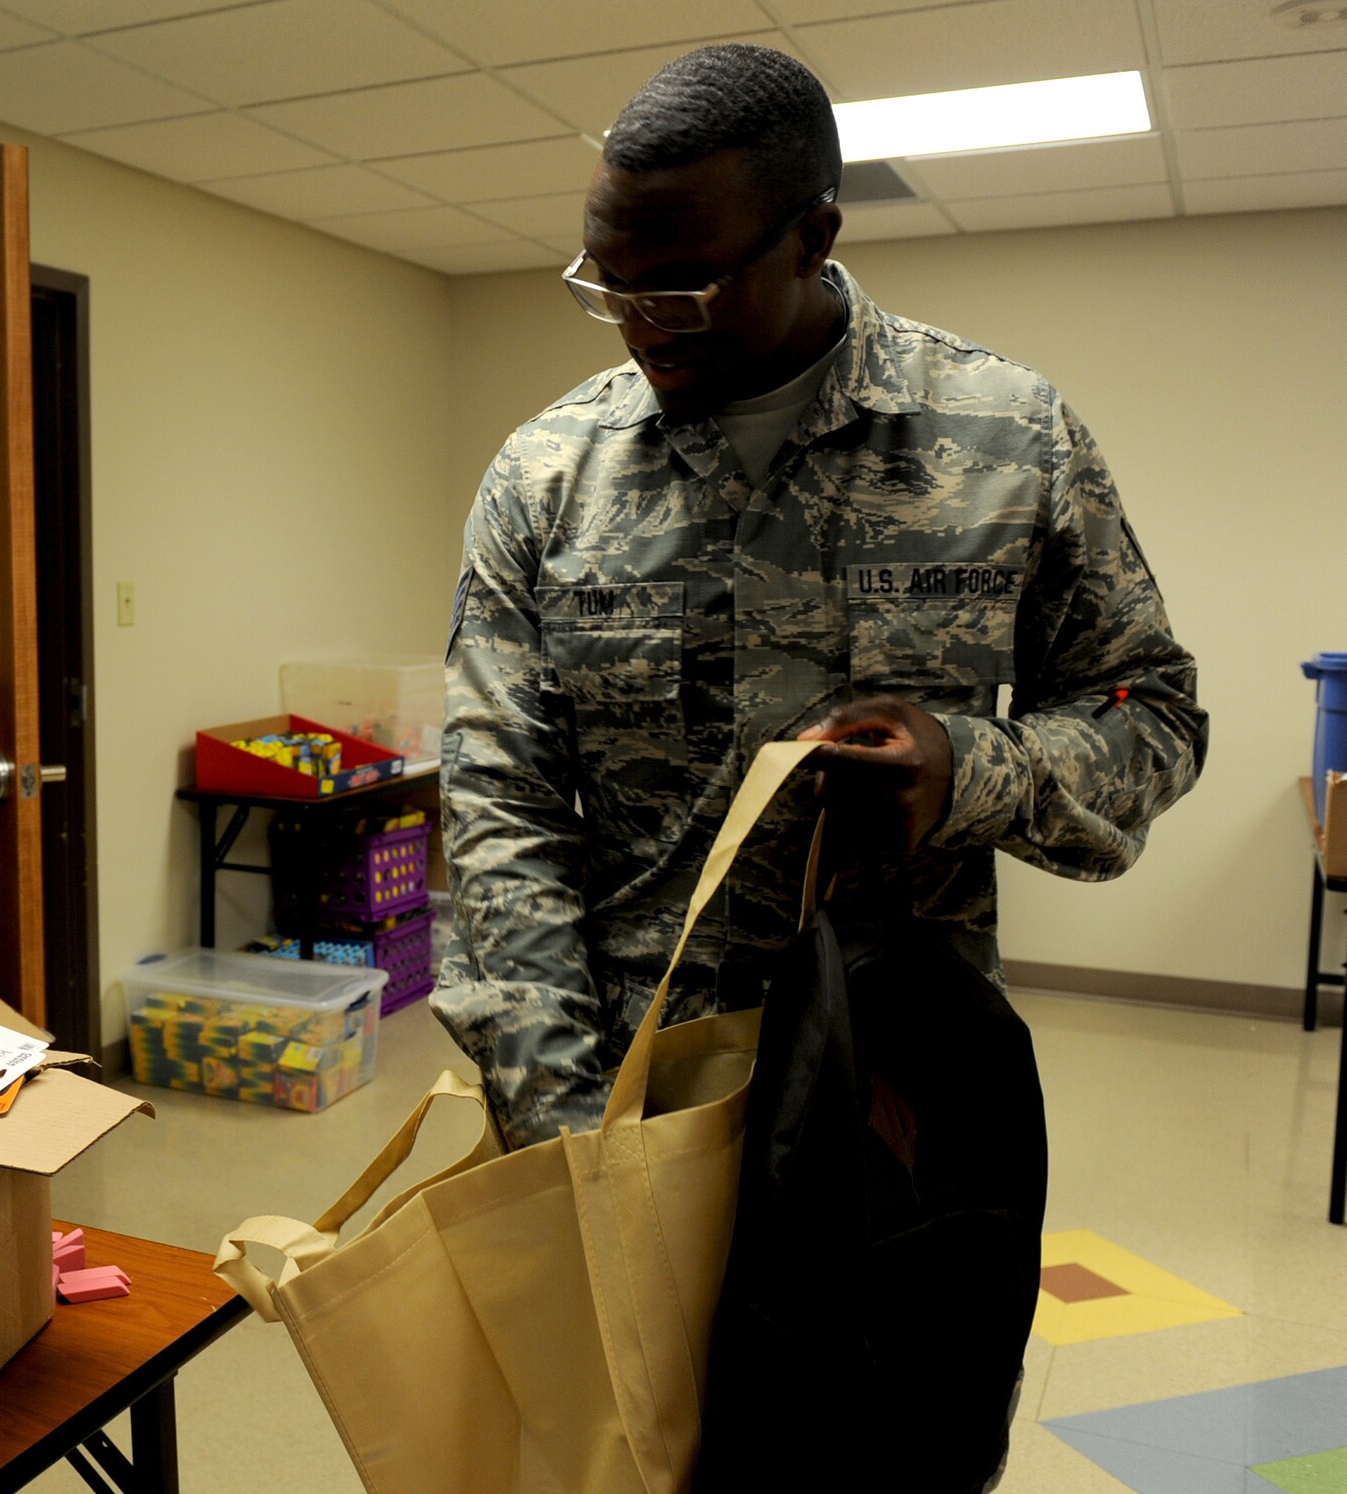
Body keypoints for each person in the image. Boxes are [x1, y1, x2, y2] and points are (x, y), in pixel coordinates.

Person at [434, 43, 1207, 1151]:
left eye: (679, 288)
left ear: (812, 236)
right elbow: (497, 807)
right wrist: (559, 1125)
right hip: (621, 1094)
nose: (642, 325)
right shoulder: (545, 477)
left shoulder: (1007, 437)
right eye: (607, 284)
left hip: (900, 1099)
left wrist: (968, 770)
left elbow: (1152, 719)